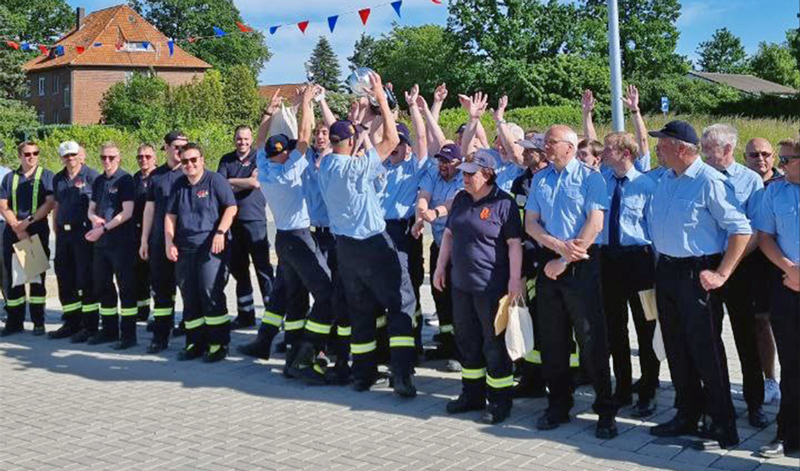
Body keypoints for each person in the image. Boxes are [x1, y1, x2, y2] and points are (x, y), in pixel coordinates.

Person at [647, 121, 751, 449]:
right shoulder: (665, 178)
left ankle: (723, 423)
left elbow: (741, 229)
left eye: (662, 144)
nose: (657, 149)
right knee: (676, 348)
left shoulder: (710, 181)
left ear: (681, 148)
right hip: (667, 270)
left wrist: (722, 273)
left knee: (706, 351)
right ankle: (686, 413)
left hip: (697, 273)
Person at [317, 71, 417, 397]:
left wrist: (358, 127)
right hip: (373, 243)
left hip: (345, 248)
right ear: (349, 144)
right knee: (401, 304)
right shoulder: (357, 168)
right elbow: (389, 139)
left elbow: (361, 146)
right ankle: (401, 374)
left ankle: (362, 374)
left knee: (360, 311)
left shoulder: (326, 167)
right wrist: (382, 102)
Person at [524, 125, 617, 439]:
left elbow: (595, 223)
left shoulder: (592, 178)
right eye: (546, 142)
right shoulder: (541, 178)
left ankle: (605, 410)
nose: (545, 147)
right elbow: (531, 223)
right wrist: (555, 247)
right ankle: (558, 405)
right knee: (552, 340)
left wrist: (565, 258)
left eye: (551, 142)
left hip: (580, 266)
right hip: (550, 264)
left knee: (591, 339)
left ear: (569, 145)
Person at [434, 149, 523, 424]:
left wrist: (514, 280)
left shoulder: (503, 203)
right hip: (461, 283)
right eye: (464, 173)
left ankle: (499, 401)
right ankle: (471, 395)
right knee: (467, 340)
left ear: (487, 174)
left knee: (494, 345)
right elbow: (448, 235)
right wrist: (439, 267)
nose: (465, 177)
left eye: (471, 173)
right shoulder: (461, 199)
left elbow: (514, 245)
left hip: (492, 287)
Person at [254, 84, 335, 383]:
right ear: (285, 154)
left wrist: (268, 114)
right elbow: (304, 137)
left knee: (297, 295)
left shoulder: (265, 168)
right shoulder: (289, 171)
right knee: (326, 294)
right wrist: (307, 103)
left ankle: (291, 355)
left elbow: (260, 142)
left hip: (285, 239)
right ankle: (305, 355)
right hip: (300, 238)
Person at [700, 124, 769, 428]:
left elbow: (755, 229)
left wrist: (731, 264)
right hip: (706, 266)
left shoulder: (750, 180)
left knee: (746, 336)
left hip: (741, 267)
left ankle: (755, 403)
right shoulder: (700, 176)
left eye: (708, 148)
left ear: (727, 150)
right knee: (709, 338)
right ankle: (717, 402)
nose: (703, 154)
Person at [599, 132, 659, 417]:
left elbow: (655, 231)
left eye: (609, 148)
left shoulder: (647, 185)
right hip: (609, 261)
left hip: (640, 263)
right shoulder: (602, 182)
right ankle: (622, 387)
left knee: (646, 328)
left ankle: (648, 389)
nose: (603, 152)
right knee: (614, 329)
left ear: (625, 153)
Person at [165, 143, 237, 362]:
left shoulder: (215, 181)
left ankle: (219, 344)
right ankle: (195, 343)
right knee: (189, 295)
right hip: (185, 248)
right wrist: (169, 242)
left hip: (210, 249)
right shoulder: (178, 185)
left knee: (210, 292)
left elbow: (231, 207)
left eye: (194, 160)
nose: (190, 164)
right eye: (185, 161)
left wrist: (220, 232)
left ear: (202, 159)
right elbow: (170, 216)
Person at [374, 84, 430, 357]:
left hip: (403, 231)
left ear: (406, 147)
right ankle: (384, 343)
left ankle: (414, 339)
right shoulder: (377, 166)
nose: (394, 146)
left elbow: (421, 137)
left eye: (399, 142)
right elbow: (372, 137)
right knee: (383, 287)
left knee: (409, 287)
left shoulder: (414, 168)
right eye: (391, 141)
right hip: (379, 232)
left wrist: (412, 108)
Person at [754, 138, 799, 458]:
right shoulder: (775, 191)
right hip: (788, 286)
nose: (779, 165)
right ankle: (787, 432)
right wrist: (790, 269)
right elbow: (766, 237)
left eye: (786, 160)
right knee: (792, 364)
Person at [218, 125, 274, 330]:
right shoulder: (226, 159)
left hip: (255, 220)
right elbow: (220, 185)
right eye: (239, 138)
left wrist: (232, 181)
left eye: (246, 138)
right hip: (233, 222)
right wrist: (245, 181)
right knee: (239, 270)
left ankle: (273, 316)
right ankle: (245, 315)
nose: (242, 142)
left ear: (251, 140)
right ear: (234, 139)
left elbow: (256, 183)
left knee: (263, 270)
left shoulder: (259, 157)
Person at [411, 143, 463, 370]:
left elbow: (454, 203)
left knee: (457, 298)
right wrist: (421, 216)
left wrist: (435, 212)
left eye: (448, 161)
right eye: (441, 160)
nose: (443, 165)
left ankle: (463, 350)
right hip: (439, 243)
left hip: (459, 247)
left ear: (458, 163)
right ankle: (447, 342)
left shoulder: (464, 178)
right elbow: (424, 196)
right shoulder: (434, 174)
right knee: (438, 293)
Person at [85, 142, 138, 350]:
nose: (107, 161)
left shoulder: (125, 180)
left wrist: (104, 228)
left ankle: (128, 335)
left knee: (126, 287)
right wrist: (93, 218)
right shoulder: (98, 181)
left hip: (121, 243)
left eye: (111, 157)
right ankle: (108, 331)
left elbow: (127, 212)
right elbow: (91, 208)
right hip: (101, 243)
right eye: (103, 157)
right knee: (102, 286)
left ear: (119, 158)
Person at [509, 133, 549, 398]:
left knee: (548, 320)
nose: (523, 154)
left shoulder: (549, 180)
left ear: (542, 153)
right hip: (526, 258)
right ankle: (531, 378)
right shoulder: (520, 181)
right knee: (529, 317)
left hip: (548, 259)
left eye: (529, 150)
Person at [0, 141, 55, 337]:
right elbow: (3, 205)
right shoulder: (9, 177)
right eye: (27, 154)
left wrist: (27, 223)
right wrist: (17, 226)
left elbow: (49, 203)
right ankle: (14, 322)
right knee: (12, 280)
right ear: (20, 156)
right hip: (13, 233)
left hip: (35, 231)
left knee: (36, 278)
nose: (31, 157)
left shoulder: (46, 176)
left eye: (35, 153)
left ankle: (38, 322)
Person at [743, 138, 782, 406]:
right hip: (751, 264)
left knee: (784, 324)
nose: (761, 159)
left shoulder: (784, 184)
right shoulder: (739, 183)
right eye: (754, 154)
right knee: (759, 322)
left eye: (766, 154)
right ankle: (768, 379)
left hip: (782, 263)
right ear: (744, 157)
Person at [140, 131, 187, 353]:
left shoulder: (191, 172)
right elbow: (149, 208)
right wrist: (144, 240)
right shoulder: (156, 176)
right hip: (160, 241)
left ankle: (192, 333)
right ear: (166, 148)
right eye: (176, 146)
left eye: (184, 146)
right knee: (161, 290)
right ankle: (160, 335)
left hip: (185, 242)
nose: (180, 150)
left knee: (190, 290)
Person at [49, 141, 100, 341]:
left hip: (83, 234)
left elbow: (98, 205)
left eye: (73, 155)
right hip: (64, 234)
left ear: (80, 155)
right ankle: (71, 322)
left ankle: (89, 325)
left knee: (85, 279)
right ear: (62, 158)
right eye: (66, 156)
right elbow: (57, 205)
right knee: (65, 277)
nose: (70, 159)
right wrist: (56, 227)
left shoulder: (91, 176)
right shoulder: (58, 178)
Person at [132, 144, 157, 323]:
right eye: (140, 157)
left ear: (154, 157)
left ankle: (161, 314)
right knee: (139, 275)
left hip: (155, 232)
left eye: (147, 156)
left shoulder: (160, 176)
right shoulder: (134, 178)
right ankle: (142, 310)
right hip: (137, 232)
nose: (144, 160)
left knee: (156, 275)